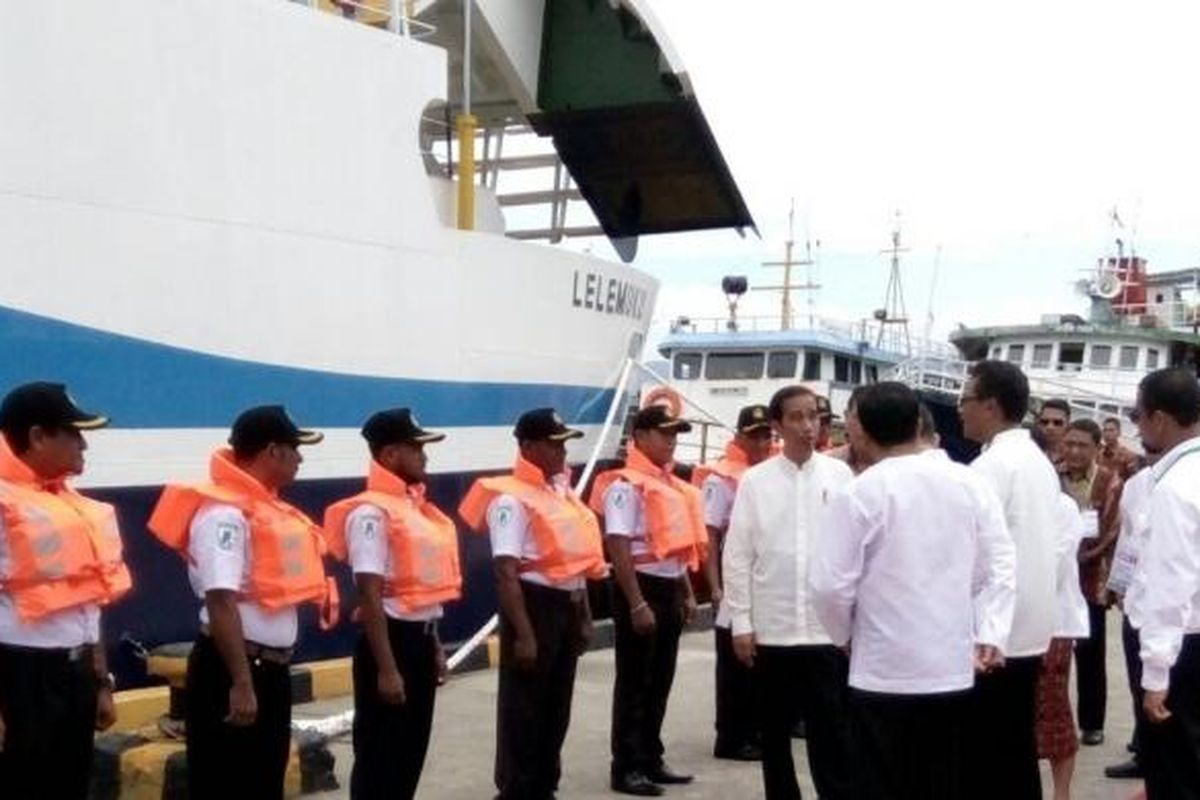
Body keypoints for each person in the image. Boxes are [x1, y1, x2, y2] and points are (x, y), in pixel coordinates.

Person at [811, 381, 1015, 800]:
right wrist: (991, 630)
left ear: (861, 429)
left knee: (880, 783)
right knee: (941, 782)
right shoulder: (970, 483)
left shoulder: (861, 492)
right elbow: (999, 565)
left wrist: (845, 637)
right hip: (951, 667)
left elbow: (830, 586)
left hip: (885, 670)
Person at [148, 405, 337, 800]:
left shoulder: (266, 509)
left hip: (268, 669)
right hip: (234, 669)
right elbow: (221, 600)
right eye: (295, 448)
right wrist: (241, 682)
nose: (300, 458)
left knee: (263, 782)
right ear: (272, 451)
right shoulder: (225, 516)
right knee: (227, 783)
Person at [459, 408, 608, 800]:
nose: (562, 451)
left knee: (557, 706)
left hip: (567, 605)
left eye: (563, 443)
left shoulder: (560, 494)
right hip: (534, 607)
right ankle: (516, 789)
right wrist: (524, 634)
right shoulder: (511, 500)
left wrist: (584, 614)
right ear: (527, 447)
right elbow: (506, 572)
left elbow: (579, 564)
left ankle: (544, 785)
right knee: (523, 708)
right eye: (553, 444)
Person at [722, 385, 854, 800]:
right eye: (796, 417)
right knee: (774, 735)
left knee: (830, 733)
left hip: (824, 631)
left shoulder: (840, 477)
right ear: (778, 425)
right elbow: (738, 554)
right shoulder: (755, 482)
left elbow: (852, 551)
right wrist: (741, 622)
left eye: (813, 416)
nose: (807, 425)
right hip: (773, 630)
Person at [323, 408, 462, 800]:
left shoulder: (415, 510)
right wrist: (387, 669)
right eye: (415, 447)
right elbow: (370, 593)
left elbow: (422, 596)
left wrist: (434, 645)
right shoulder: (372, 513)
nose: (424, 455)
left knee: (410, 751)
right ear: (387, 456)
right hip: (390, 644)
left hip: (418, 641)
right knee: (380, 755)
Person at [0, 382, 130, 799]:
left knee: (72, 785)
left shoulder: (69, 506)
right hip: (22, 676)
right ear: (38, 436)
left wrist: (100, 682)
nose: (84, 445)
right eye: (73, 433)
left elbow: (89, 603)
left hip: (75, 675)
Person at [591, 405, 707, 797]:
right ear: (640, 437)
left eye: (676, 433)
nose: (672, 439)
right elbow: (618, 545)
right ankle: (626, 766)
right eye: (664, 432)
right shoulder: (626, 486)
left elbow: (675, 548)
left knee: (661, 679)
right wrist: (636, 602)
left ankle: (651, 758)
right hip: (640, 587)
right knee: (635, 682)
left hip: (668, 586)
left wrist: (687, 592)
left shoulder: (669, 485)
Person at [958, 360, 1059, 800]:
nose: (960, 410)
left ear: (991, 406)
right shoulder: (1036, 461)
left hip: (994, 635)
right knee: (1015, 751)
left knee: (985, 759)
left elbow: (972, 556)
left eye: (965, 401)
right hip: (1030, 628)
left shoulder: (992, 468)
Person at [1125, 368, 1200, 797]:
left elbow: (1169, 584)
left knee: (1176, 775)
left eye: (1138, 416)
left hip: (1181, 648)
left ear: (1159, 418)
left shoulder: (1173, 487)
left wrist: (1156, 674)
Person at [690, 405, 774, 761]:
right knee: (733, 662)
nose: (762, 441)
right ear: (739, 436)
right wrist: (714, 585)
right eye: (754, 435)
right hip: (733, 574)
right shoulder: (720, 478)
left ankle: (752, 730)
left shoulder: (769, 472)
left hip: (763, 578)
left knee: (758, 661)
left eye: (766, 435)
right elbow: (709, 534)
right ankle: (731, 736)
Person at [1028, 425, 1092, 800]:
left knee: (1054, 712)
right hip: (1018, 620)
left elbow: (1050, 566)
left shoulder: (1063, 506)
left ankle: (1062, 793)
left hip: (1052, 622)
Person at [1060, 418, 1122, 746]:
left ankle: (1092, 723)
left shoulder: (1110, 481)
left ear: (1097, 448)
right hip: (1054, 577)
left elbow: (1112, 527)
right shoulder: (1049, 477)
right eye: (1069, 443)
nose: (1073, 450)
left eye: (1082, 445)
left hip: (1090, 580)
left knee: (1091, 653)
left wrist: (1080, 554)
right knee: (1052, 655)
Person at [1104, 450, 1159, 781]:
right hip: (1139, 602)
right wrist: (1119, 587)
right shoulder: (1137, 485)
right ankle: (1145, 753)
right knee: (1140, 682)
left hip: (1184, 611)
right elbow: (1127, 542)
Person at [1038, 399, 1072, 466]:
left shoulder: (1075, 456)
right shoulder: (1030, 451)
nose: (1050, 427)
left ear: (1068, 425)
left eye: (1057, 423)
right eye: (1045, 422)